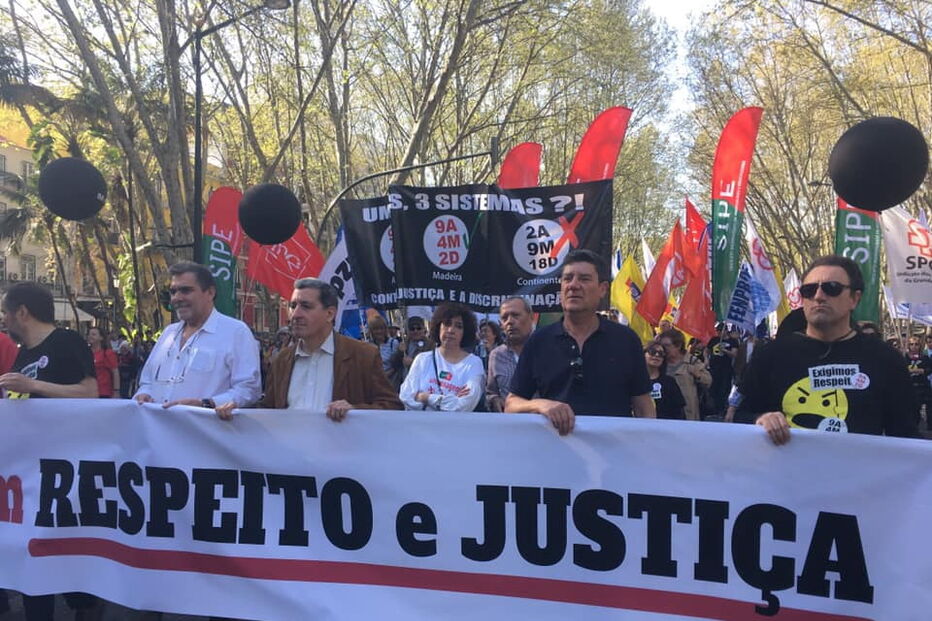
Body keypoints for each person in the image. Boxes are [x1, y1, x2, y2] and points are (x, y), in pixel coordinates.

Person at [737, 255, 919, 444]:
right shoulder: (771, 355)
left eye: (832, 289)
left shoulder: (885, 359)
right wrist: (759, 420)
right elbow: (738, 417)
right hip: (789, 472)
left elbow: (906, 436)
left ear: (854, 299)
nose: (818, 296)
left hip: (859, 472)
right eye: (809, 290)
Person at [0, 282, 100, 619]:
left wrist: (33, 385)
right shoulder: (23, 352)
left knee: (73, 570)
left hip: (67, 474)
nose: (4, 319)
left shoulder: (67, 342)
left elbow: (89, 393)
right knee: (34, 566)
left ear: (22, 312)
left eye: (6, 312)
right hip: (30, 476)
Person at [505, 249, 655, 434]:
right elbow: (511, 404)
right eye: (567, 279)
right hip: (554, 455)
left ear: (602, 289)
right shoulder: (539, 341)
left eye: (584, 279)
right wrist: (541, 405)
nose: (573, 285)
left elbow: (643, 408)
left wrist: (649, 447)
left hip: (616, 456)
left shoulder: (626, 340)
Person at [258, 278, 403, 417]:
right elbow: (268, 409)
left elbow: (392, 406)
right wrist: (237, 409)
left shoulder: (363, 356)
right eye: (293, 306)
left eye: (306, 306)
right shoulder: (282, 360)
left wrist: (354, 410)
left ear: (329, 314)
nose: (295, 314)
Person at [134, 262, 261, 418]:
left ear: (210, 293)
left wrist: (206, 404)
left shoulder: (236, 332)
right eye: (173, 292)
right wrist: (143, 394)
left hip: (205, 435)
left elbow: (249, 389)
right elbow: (146, 381)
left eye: (186, 290)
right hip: (158, 433)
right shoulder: (168, 334)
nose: (177, 298)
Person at [400, 302, 485, 411]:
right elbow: (406, 397)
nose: (450, 330)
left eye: (458, 326)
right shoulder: (422, 359)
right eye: (447, 324)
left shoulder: (473, 363)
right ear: (438, 326)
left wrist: (424, 397)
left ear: (465, 332)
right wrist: (449, 400)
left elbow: (463, 406)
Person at [486, 297, 534, 412]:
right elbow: (490, 392)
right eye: (504, 318)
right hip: (509, 425)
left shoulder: (547, 349)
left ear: (531, 317)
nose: (510, 321)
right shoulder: (496, 355)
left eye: (516, 315)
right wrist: (494, 400)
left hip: (544, 425)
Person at [657, 328, 712, 421]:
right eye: (661, 345)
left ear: (678, 345)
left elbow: (708, 381)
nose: (663, 349)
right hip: (663, 413)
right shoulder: (658, 362)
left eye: (666, 345)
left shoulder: (691, 361)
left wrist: (697, 374)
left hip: (687, 413)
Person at [644, 343, 686, 419]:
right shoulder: (634, 382)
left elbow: (679, 411)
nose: (656, 355)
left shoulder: (670, 382)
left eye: (661, 354)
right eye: (652, 352)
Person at [391, 316, 434, 383]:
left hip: (424, 382)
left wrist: (413, 362)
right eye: (412, 329)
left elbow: (431, 364)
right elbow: (394, 365)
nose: (415, 331)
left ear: (424, 329)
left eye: (418, 328)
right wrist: (399, 352)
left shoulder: (430, 345)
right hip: (406, 382)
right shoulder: (404, 343)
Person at [904, 335, 932, 428]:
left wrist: (922, 371)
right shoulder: (905, 358)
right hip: (910, 387)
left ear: (920, 345)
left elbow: (930, 369)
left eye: (916, 344)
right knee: (914, 409)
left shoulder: (925, 357)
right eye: (911, 344)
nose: (914, 346)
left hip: (923, 386)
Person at [367, 314, 400, 386]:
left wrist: (384, 375)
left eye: (381, 328)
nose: (379, 331)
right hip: (375, 384)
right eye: (376, 329)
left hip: (392, 383)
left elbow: (397, 365)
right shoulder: (367, 345)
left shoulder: (393, 343)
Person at [88, 326, 120, 399]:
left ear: (101, 338)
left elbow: (115, 372)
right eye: (89, 334)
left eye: (93, 334)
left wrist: (116, 391)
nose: (90, 336)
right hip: (89, 392)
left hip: (104, 392)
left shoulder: (108, 353)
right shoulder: (86, 353)